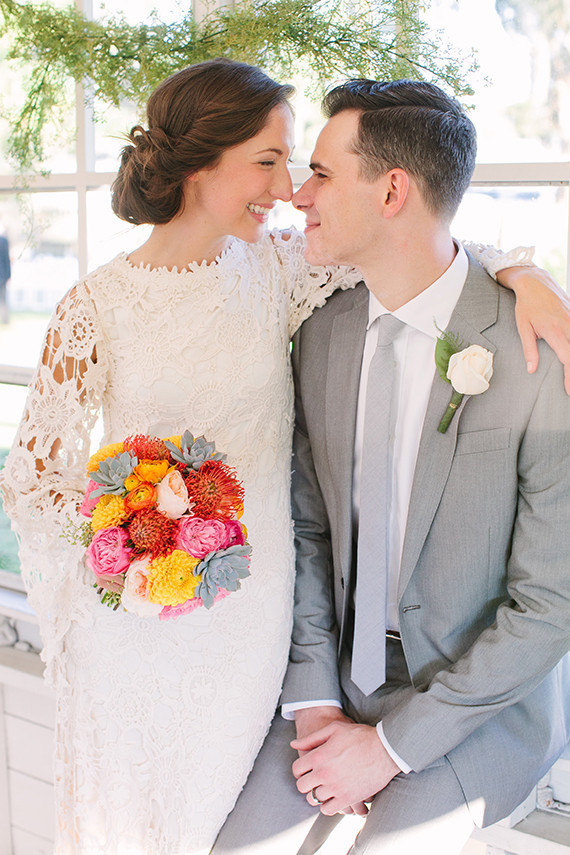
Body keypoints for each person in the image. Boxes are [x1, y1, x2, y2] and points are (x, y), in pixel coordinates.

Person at [0, 60, 566, 855]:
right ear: (201, 166)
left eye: (303, 166)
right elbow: (33, 478)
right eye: (268, 161)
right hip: (151, 626)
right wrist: (127, 531)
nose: (290, 187)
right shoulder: (102, 305)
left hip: (260, 638)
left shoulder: (280, 273)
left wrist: (526, 274)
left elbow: (423, 241)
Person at [211, 80, 570, 855]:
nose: (298, 195)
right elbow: (308, 530)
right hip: (340, 681)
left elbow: (550, 604)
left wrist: (390, 747)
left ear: (393, 191)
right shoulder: (322, 334)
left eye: (321, 174)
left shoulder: (536, 352)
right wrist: (314, 697)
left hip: (482, 707)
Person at [0, 227, 11, 324]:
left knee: (3, 299)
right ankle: (5, 320)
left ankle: (5, 320)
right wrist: (8, 275)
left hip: (2, 276)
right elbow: (6, 259)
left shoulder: (3, 241)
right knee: (3, 299)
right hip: (2, 276)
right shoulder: (4, 241)